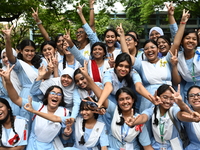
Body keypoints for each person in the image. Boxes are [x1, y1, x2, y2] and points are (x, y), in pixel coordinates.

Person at [78, 65, 154, 150]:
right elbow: (100, 94)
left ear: (133, 100)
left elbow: (147, 146)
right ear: (117, 102)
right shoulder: (114, 111)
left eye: (128, 98)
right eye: (121, 99)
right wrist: (87, 77)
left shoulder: (138, 119)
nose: (125, 102)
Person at [0, 65, 69, 150]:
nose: (56, 96)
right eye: (53, 93)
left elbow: (65, 138)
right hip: (33, 146)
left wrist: (66, 134)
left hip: (50, 146)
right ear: (47, 96)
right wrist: (8, 80)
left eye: (59, 94)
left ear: (61, 98)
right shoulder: (38, 106)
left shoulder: (65, 112)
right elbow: (16, 99)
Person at [23, 95, 110, 150]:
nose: (84, 113)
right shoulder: (76, 120)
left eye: (87, 110)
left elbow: (104, 147)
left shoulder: (101, 125)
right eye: (82, 110)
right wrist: (34, 111)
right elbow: (55, 118)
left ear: (94, 110)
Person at [125, 84, 188, 149]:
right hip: (156, 146)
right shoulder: (153, 110)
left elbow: (181, 115)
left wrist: (181, 104)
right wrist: (135, 121)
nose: (168, 101)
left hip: (174, 146)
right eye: (165, 97)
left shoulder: (174, 109)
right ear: (158, 96)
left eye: (171, 98)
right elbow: (144, 117)